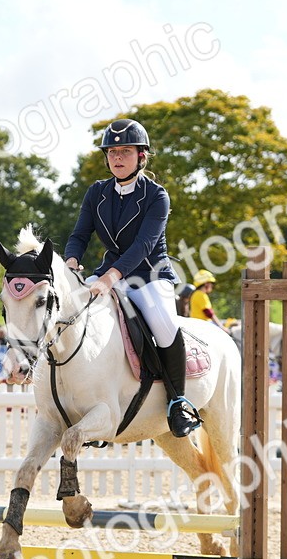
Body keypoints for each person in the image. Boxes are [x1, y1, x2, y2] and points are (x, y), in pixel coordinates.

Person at [64, 118, 200, 438]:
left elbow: (143, 245)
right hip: (108, 272)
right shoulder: (96, 192)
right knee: (68, 311)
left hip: (149, 274)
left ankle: (178, 401)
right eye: (112, 151)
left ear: (141, 156)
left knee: (163, 323)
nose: (117, 157)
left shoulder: (156, 195)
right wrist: (71, 261)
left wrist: (110, 277)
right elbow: (80, 235)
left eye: (125, 151)